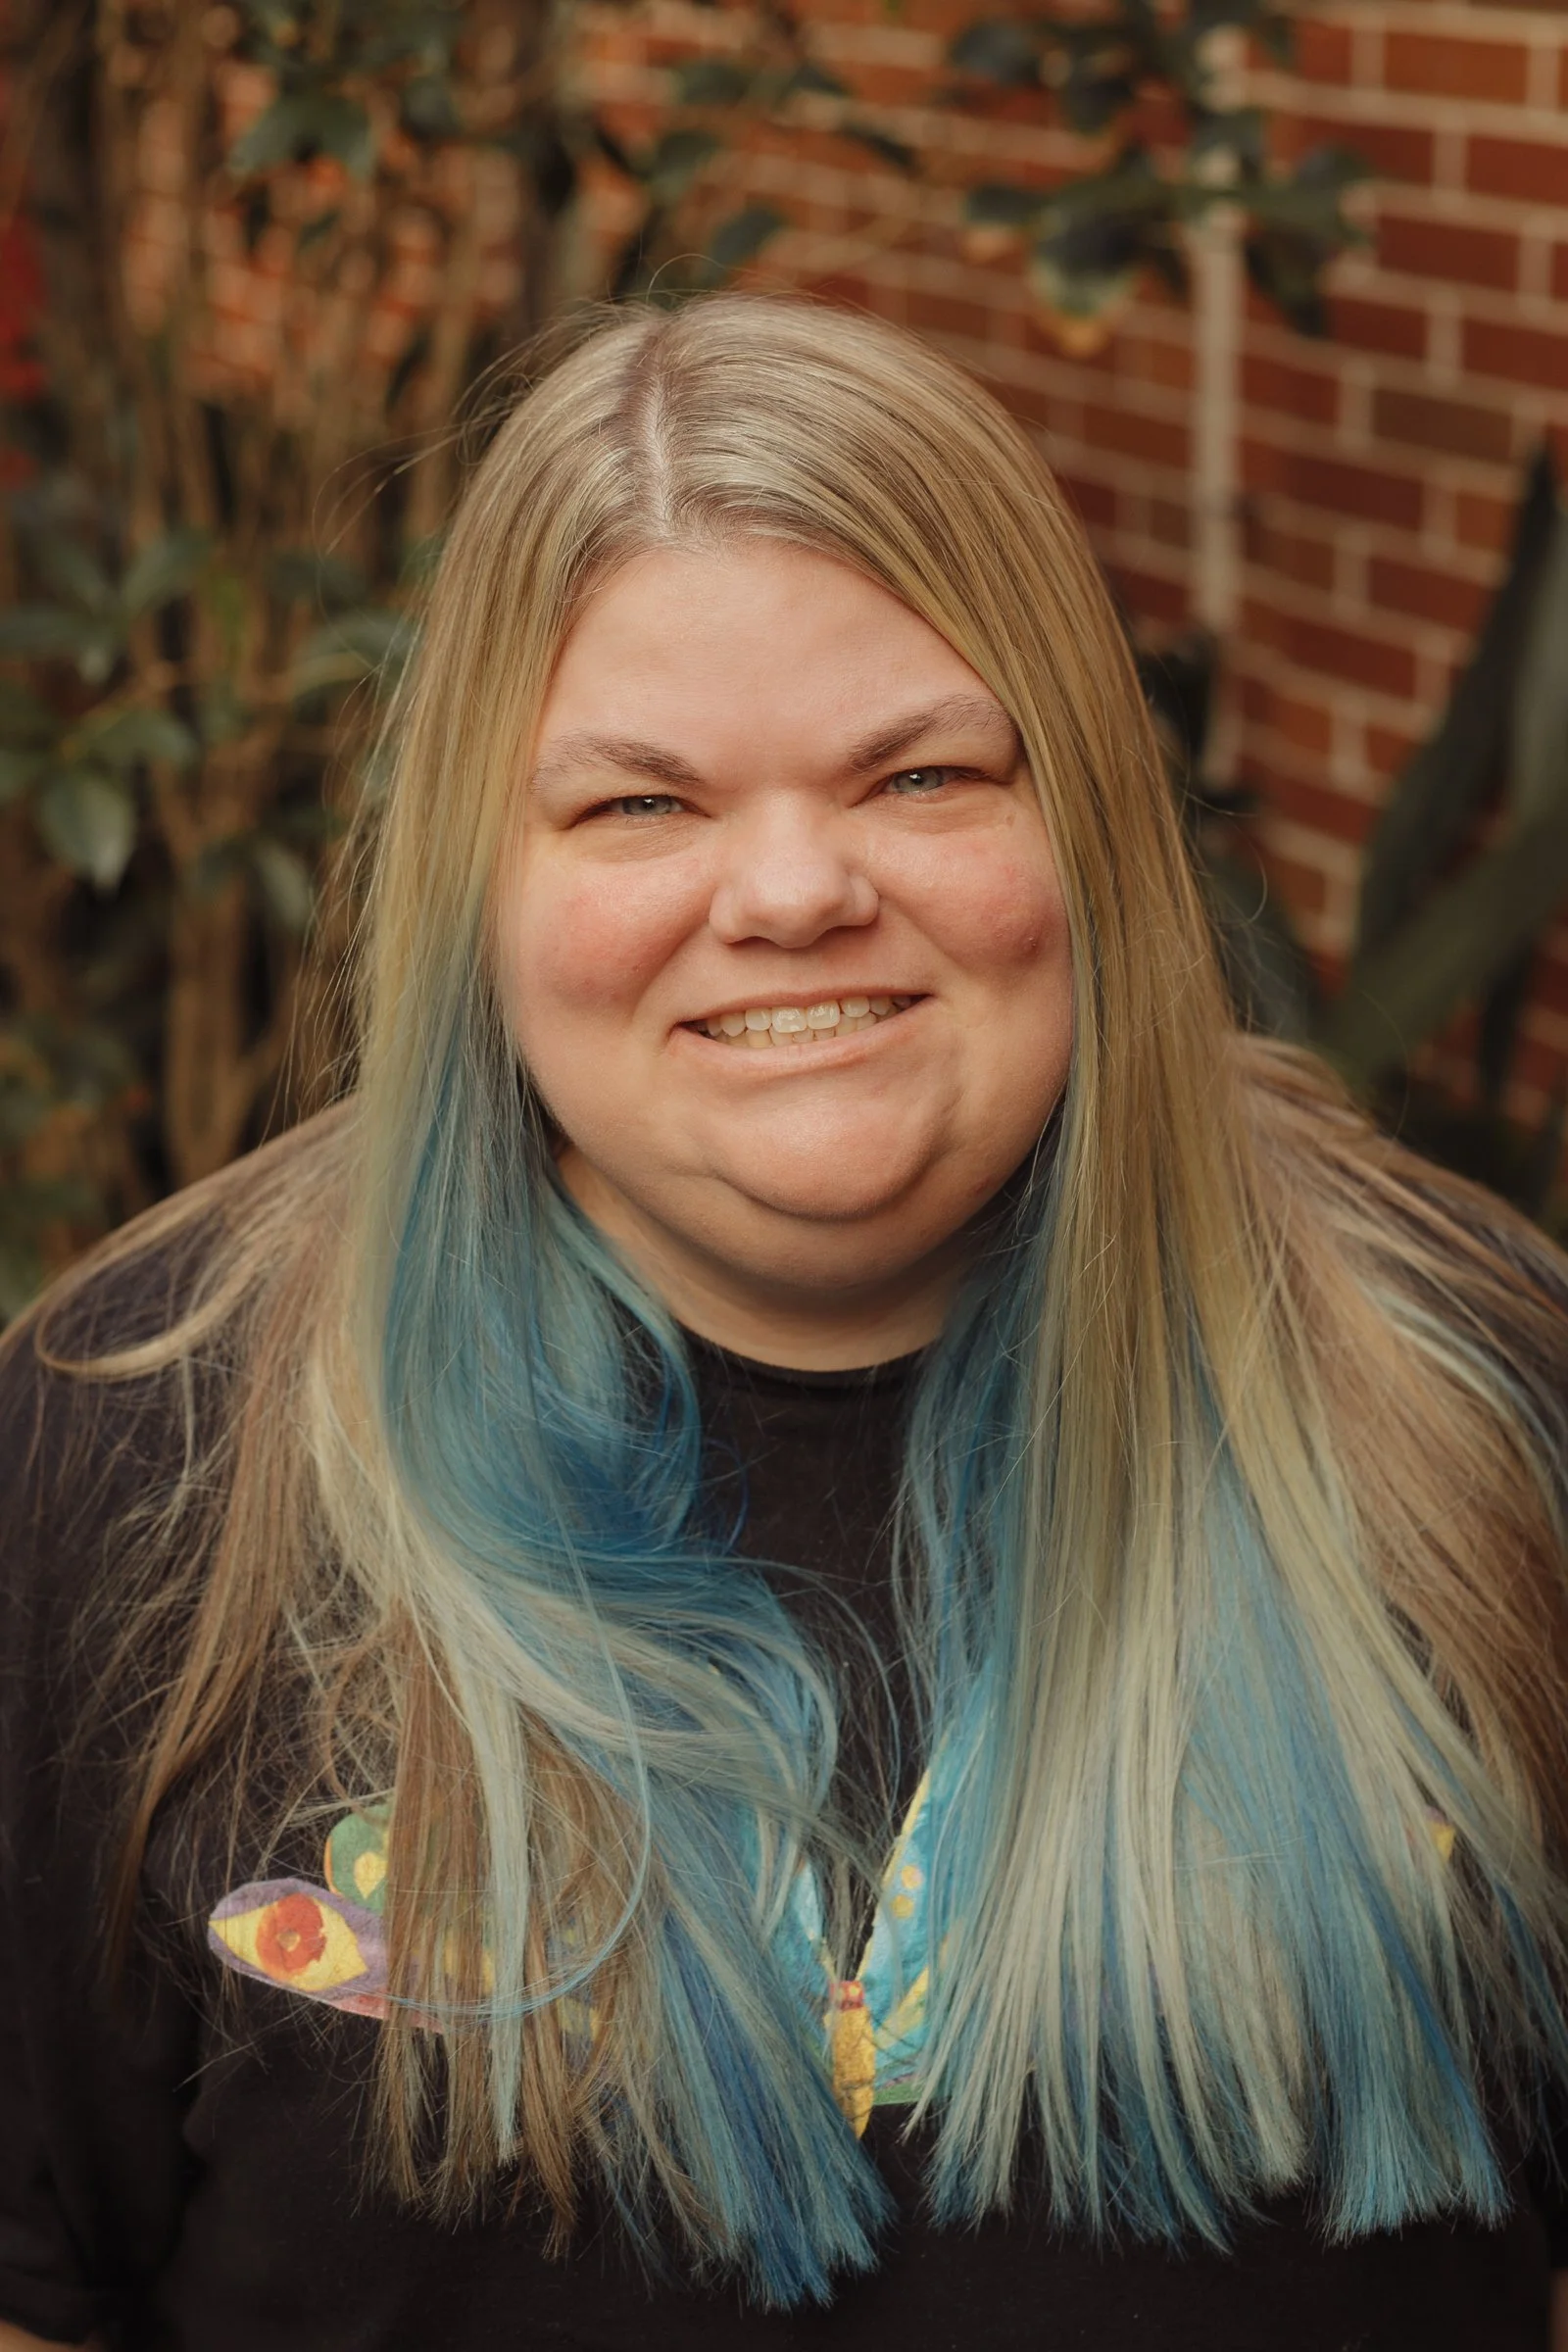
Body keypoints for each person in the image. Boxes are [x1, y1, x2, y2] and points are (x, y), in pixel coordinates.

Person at [3, 293, 1568, 2352]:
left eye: (918, 773)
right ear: (481, 878)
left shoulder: (1471, 1383)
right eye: (638, 806)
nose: (791, 892)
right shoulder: (139, 1445)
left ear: (1087, 823)